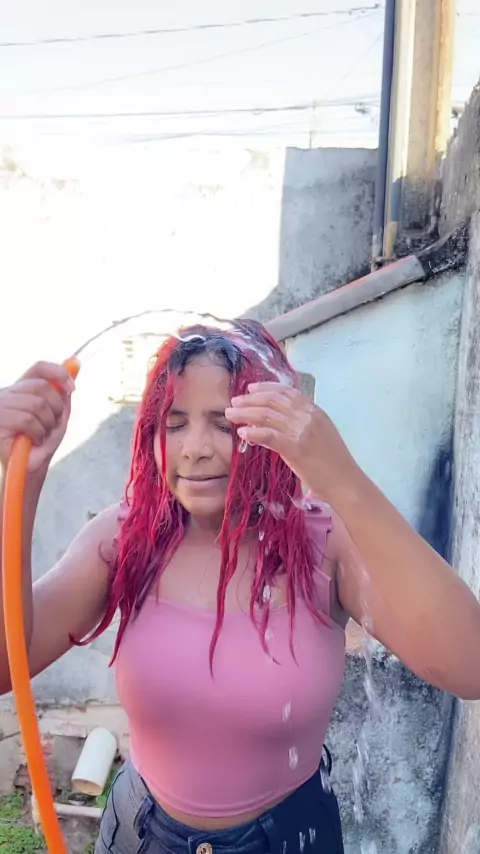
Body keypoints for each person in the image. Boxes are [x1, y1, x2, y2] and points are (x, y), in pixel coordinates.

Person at [0, 320, 479, 854]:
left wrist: (341, 478)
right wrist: (22, 479)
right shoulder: (125, 537)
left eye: (225, 424)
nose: (195, 449)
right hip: (141, 834)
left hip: (290, 840)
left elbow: (469, 665)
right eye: (174, 423)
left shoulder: (325, 544)